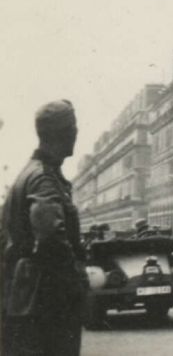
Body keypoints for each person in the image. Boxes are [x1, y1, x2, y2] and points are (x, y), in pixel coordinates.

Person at [0, 100, 87, 355]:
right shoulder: (43, 179)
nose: (77, 133)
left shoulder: (27, 175)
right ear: (64, 133)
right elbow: (50, 238)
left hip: (24, 299)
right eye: (73, 127)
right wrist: (76, 280)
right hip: (47, 305)